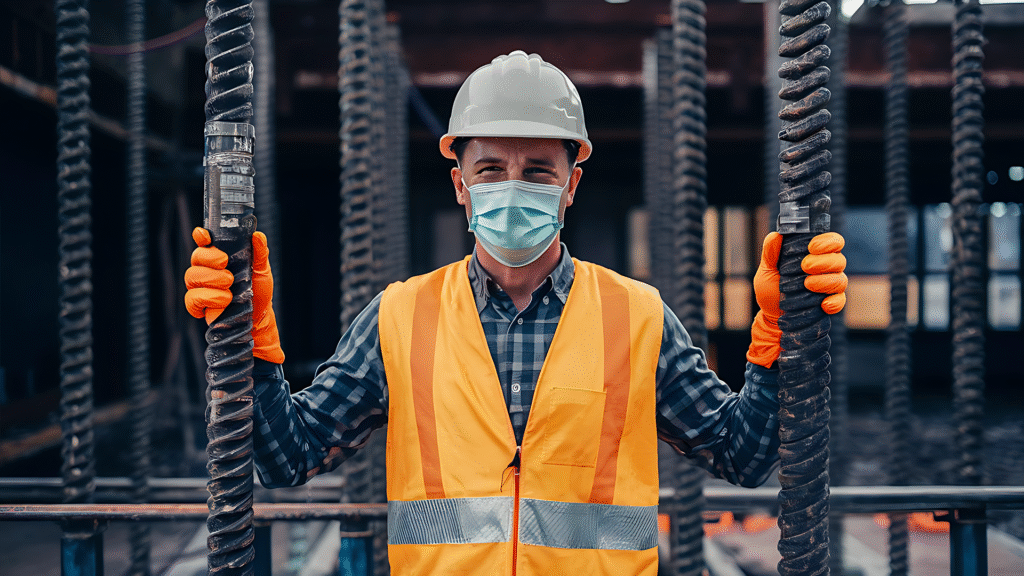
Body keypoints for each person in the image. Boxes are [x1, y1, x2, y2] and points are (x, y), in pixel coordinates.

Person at [184, 50, 847, 576]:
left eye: (537, 169)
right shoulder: (400, 316)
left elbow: (744, 452)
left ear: (571, 186)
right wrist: (249, 345)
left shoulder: (636, 317)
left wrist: (782, 340)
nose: (513, 185)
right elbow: (285, 456)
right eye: (492, 167)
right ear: (460, 184)